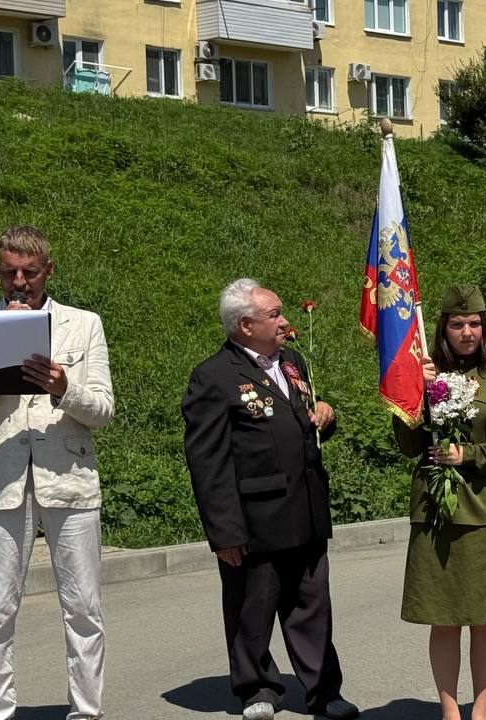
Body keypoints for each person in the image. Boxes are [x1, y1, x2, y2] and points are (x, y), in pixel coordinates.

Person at [0, 225, 114, 720]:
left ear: (48, 270)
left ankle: (86, 711)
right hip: (0, 479)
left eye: (30, 273)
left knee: (83, 608)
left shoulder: (84, 324)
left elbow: (103, 409)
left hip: (70, 478)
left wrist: (65, 388)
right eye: (8, 273)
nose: (19, 283)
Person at [181, 279, 358, 720]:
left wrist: (326, 415)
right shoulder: (214, 376)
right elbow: (208, 461)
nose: (285, 321)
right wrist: (225, 532)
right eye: (274, 314)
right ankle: (256, 689)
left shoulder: (293, 361)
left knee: (312, 608)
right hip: (255, 520)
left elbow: (301, 421)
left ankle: (324, 692)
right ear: (245, 325)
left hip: (306, 509)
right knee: (251, 610)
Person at [393, 285, 486, 720]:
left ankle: (481, 711)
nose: (467, 332)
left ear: (485, 329)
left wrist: (468, 455)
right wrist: (418, 391)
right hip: (438, 514)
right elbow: (407, 444)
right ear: (444, 329)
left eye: (474, 324)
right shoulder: (425, 376)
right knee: (444, 618)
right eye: (457, 324)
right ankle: (450, 711)